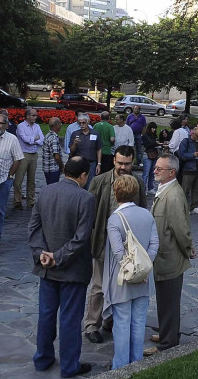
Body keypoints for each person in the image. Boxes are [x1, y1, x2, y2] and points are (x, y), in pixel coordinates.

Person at [28, 156, 95, 377]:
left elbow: (34, 228)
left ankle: (43, 359)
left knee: (46, 315)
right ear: (84, 175)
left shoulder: (45, 191)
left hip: (47, 267)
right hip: (72, 270)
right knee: (70, 319)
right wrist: (57, 257)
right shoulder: (85, 198)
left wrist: (42, 255)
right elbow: (82, 237)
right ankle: (69, 366)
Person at [84, 146, 146, 344]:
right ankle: (92, 324)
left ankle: (110, 321)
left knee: (121, 285)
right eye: (119, 163)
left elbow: (142, 211)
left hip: (128, 248)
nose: (123, 167)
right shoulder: (100, 181)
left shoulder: (138, 183)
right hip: (103, 243)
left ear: (132, 162)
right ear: (114, 161)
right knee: (99, 286)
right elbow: (90, 213)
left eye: (127, 164)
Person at [103, 175, 159, 370]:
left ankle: (120, 366)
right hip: (144, 278)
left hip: (123, 280)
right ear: (135, 193)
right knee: (139, 322)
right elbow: (154, 245)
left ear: (116, 193)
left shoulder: (114, 219)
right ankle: (136, 363)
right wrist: (143, 269)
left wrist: (131, 271)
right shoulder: (147, 214)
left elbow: (118, 253)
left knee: (122, 324)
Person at [145, 154, 193, 356]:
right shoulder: (166, 189)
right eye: (155, 167)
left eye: (159, 169)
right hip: (165, 256)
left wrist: (188, 248)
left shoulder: (172, 195)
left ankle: (167, 343)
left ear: (171, 172)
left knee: (169, 300)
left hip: (170, 257)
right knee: (166, 300)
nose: (155, 171)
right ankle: (168, 333)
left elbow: (180, 229)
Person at [0, 113, 23, 247]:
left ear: (6, 125)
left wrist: (10, 175)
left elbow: (18, 158)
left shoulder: (12, 139)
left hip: (3, 179)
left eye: (0, 123)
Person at [14, 108, 44, 210]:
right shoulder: (21, 126)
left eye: (36, 115)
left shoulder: (37, 126)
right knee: (19, 179)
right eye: (33, 115)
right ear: (27, 116)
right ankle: (17, 200)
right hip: (23, 154)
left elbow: (41, 140)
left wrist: (33, 140)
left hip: (34, 154)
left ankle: (30, 200)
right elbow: (26, 140)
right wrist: (34, 139)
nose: (35, 117)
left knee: (32, 179)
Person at [177, 127, 198, 215]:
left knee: (197, 190)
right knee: (186, 190)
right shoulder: (186, 142)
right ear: (192, 134)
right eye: (197, 136)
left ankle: (194, 206)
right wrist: (193, 155)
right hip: (188, 169)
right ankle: (184, 208)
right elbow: (182, 155)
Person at [69, 113, 103, 184]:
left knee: (90, 185)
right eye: (80, 123)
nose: (81, 125)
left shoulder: (95, 133)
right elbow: (71, 151)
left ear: (88, 121)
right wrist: (75, 144)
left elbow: (99, 149)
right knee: (78, 184)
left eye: (83, 123)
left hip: (91, 164)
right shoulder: (75, 134)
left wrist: (99, 164)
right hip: (79, 163)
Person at [41, 117, 64, 186]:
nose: (61, 125)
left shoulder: (48, 135)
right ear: (57, 125)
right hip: (53, 169)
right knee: (53, 188)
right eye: (60, 124)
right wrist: (62, 166)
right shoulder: (53, 138)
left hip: (47, 168)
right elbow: (56, 156)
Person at [141, 122, 160, 194]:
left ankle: (150, 187)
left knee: (152, 173)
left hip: (154, 154)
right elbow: (147, 145)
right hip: (147, 154)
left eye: (155, 128)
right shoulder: (145, 136)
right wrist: (155, 143)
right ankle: (143, 189)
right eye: (153, 128)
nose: (154, 130)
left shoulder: (154, 136)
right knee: (146, 173)